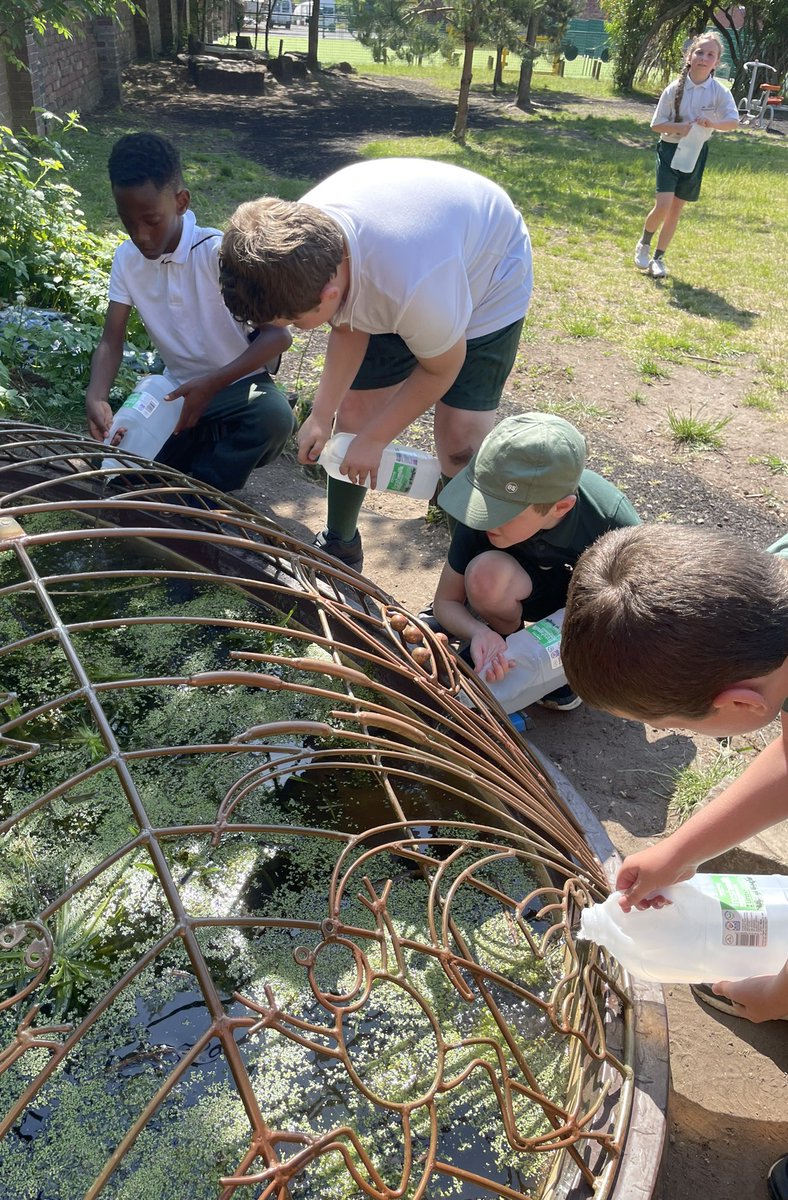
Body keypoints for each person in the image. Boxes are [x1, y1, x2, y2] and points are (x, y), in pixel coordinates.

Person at [561, 523, 788, 1198]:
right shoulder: (770, 595)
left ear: (741, 705)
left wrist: (775, 996)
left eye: (679, 727)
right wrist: (679, 853)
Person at [218, 158, 533, 571]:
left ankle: (470, 573)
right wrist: (322, 413)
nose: (296, 330)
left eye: (296, 321)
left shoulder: (414, 288)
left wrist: (376, 440)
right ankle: (341, 543)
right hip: (406, 258)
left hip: (488, 269)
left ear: (330, 291)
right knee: (354, 412)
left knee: (460, 445)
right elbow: (349, 323)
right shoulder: (297, 245)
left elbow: (442, 367)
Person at [85, 132, 295, 493]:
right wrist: (96, 395)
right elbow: (111, 340)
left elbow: (278, 335)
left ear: (181, 202)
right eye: (128, 222)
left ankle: (203, 496)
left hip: (236, 385)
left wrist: (212, 383)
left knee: (273, 415)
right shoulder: (127, 259)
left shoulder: (218, 254)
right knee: (121, 466)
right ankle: (183, 463)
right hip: (174, 391)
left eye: (151, 220)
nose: (141, 236)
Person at [432, 412, 640, 709]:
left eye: (501, 511)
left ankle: (568, 667)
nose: (484, 517)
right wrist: (481, 633)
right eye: (484, 503)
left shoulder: (612, 521)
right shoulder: (483, 511)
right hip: (523, 588)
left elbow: (639, 608)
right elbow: (446, 602)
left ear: (561, 507)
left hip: (586, 606)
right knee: (485, 575)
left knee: (613, 608)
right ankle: (509, 645)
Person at [634, 31, 739, 280]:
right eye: (699, 52)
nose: (704, 58)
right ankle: (644, 244)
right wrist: (679, 128)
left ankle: (658, 258)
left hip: (696, 152)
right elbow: (656, 125)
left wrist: (713, 122)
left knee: (675, 211)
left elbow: (732, 121)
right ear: (689, 56)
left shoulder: (719, 92)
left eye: (710, 54)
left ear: (717, 62)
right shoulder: (674, 89)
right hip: (670, 150)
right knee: (663, 205)